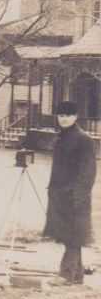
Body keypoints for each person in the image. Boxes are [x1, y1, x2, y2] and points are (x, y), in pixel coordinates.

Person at [43, 100, 97, 284]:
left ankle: (65, 274)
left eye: (68, 115)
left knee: (73, 235)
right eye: (61, 115)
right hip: (60, 195)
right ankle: (77, 276)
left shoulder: (84, 140)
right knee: (70, 235)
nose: (64, 119)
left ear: (76, 117)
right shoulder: (61, 138)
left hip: (75, 196)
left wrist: (79, 196)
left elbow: (88, 172)